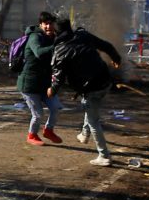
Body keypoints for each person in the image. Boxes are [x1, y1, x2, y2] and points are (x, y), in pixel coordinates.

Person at [48, 18, 121, 166]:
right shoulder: (83, 35)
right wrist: (116, 58)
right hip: (105, 80)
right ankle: (84, 134)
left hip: (91, 88)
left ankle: (104, 155)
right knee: (90, 107)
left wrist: (52, 89)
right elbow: (106, 46)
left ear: (56, 32)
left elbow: (59, 75)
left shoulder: (61, 49)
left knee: (93, 120)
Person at [17, 11, 62, 146]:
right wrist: (57, 46)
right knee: (38, 114)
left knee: (55, 107)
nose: (49, 26)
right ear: (41, 25)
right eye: (46, 24)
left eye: (51, 24)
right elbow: (39, 53)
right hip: (29, 84)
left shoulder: (54, 37)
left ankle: (48, 130)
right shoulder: (34, 37)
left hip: (44, 83)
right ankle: (32, 135)